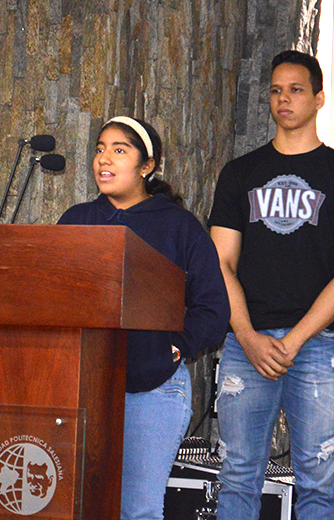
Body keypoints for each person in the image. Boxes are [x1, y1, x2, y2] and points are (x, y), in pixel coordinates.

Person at [208, 50, 334, 519]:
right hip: (247, 343)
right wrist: (247, 336)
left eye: (296, 89)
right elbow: (220, 262)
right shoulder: (239, 173)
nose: (284, 99)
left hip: (319, 346)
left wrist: (295, 340)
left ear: (319, 98)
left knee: (318, 483)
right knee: (238, 474)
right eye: (276, 91)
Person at [57, 116, 230, 520]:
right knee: (77, 508)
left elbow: (213, 308)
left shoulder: (178, 227)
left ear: (147, 166)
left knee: (138, 511)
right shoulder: (76, 220)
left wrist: (178, 347)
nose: (105, 159)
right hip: (81, 390)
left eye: (120, 150)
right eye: (101, 148)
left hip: (151, 392)